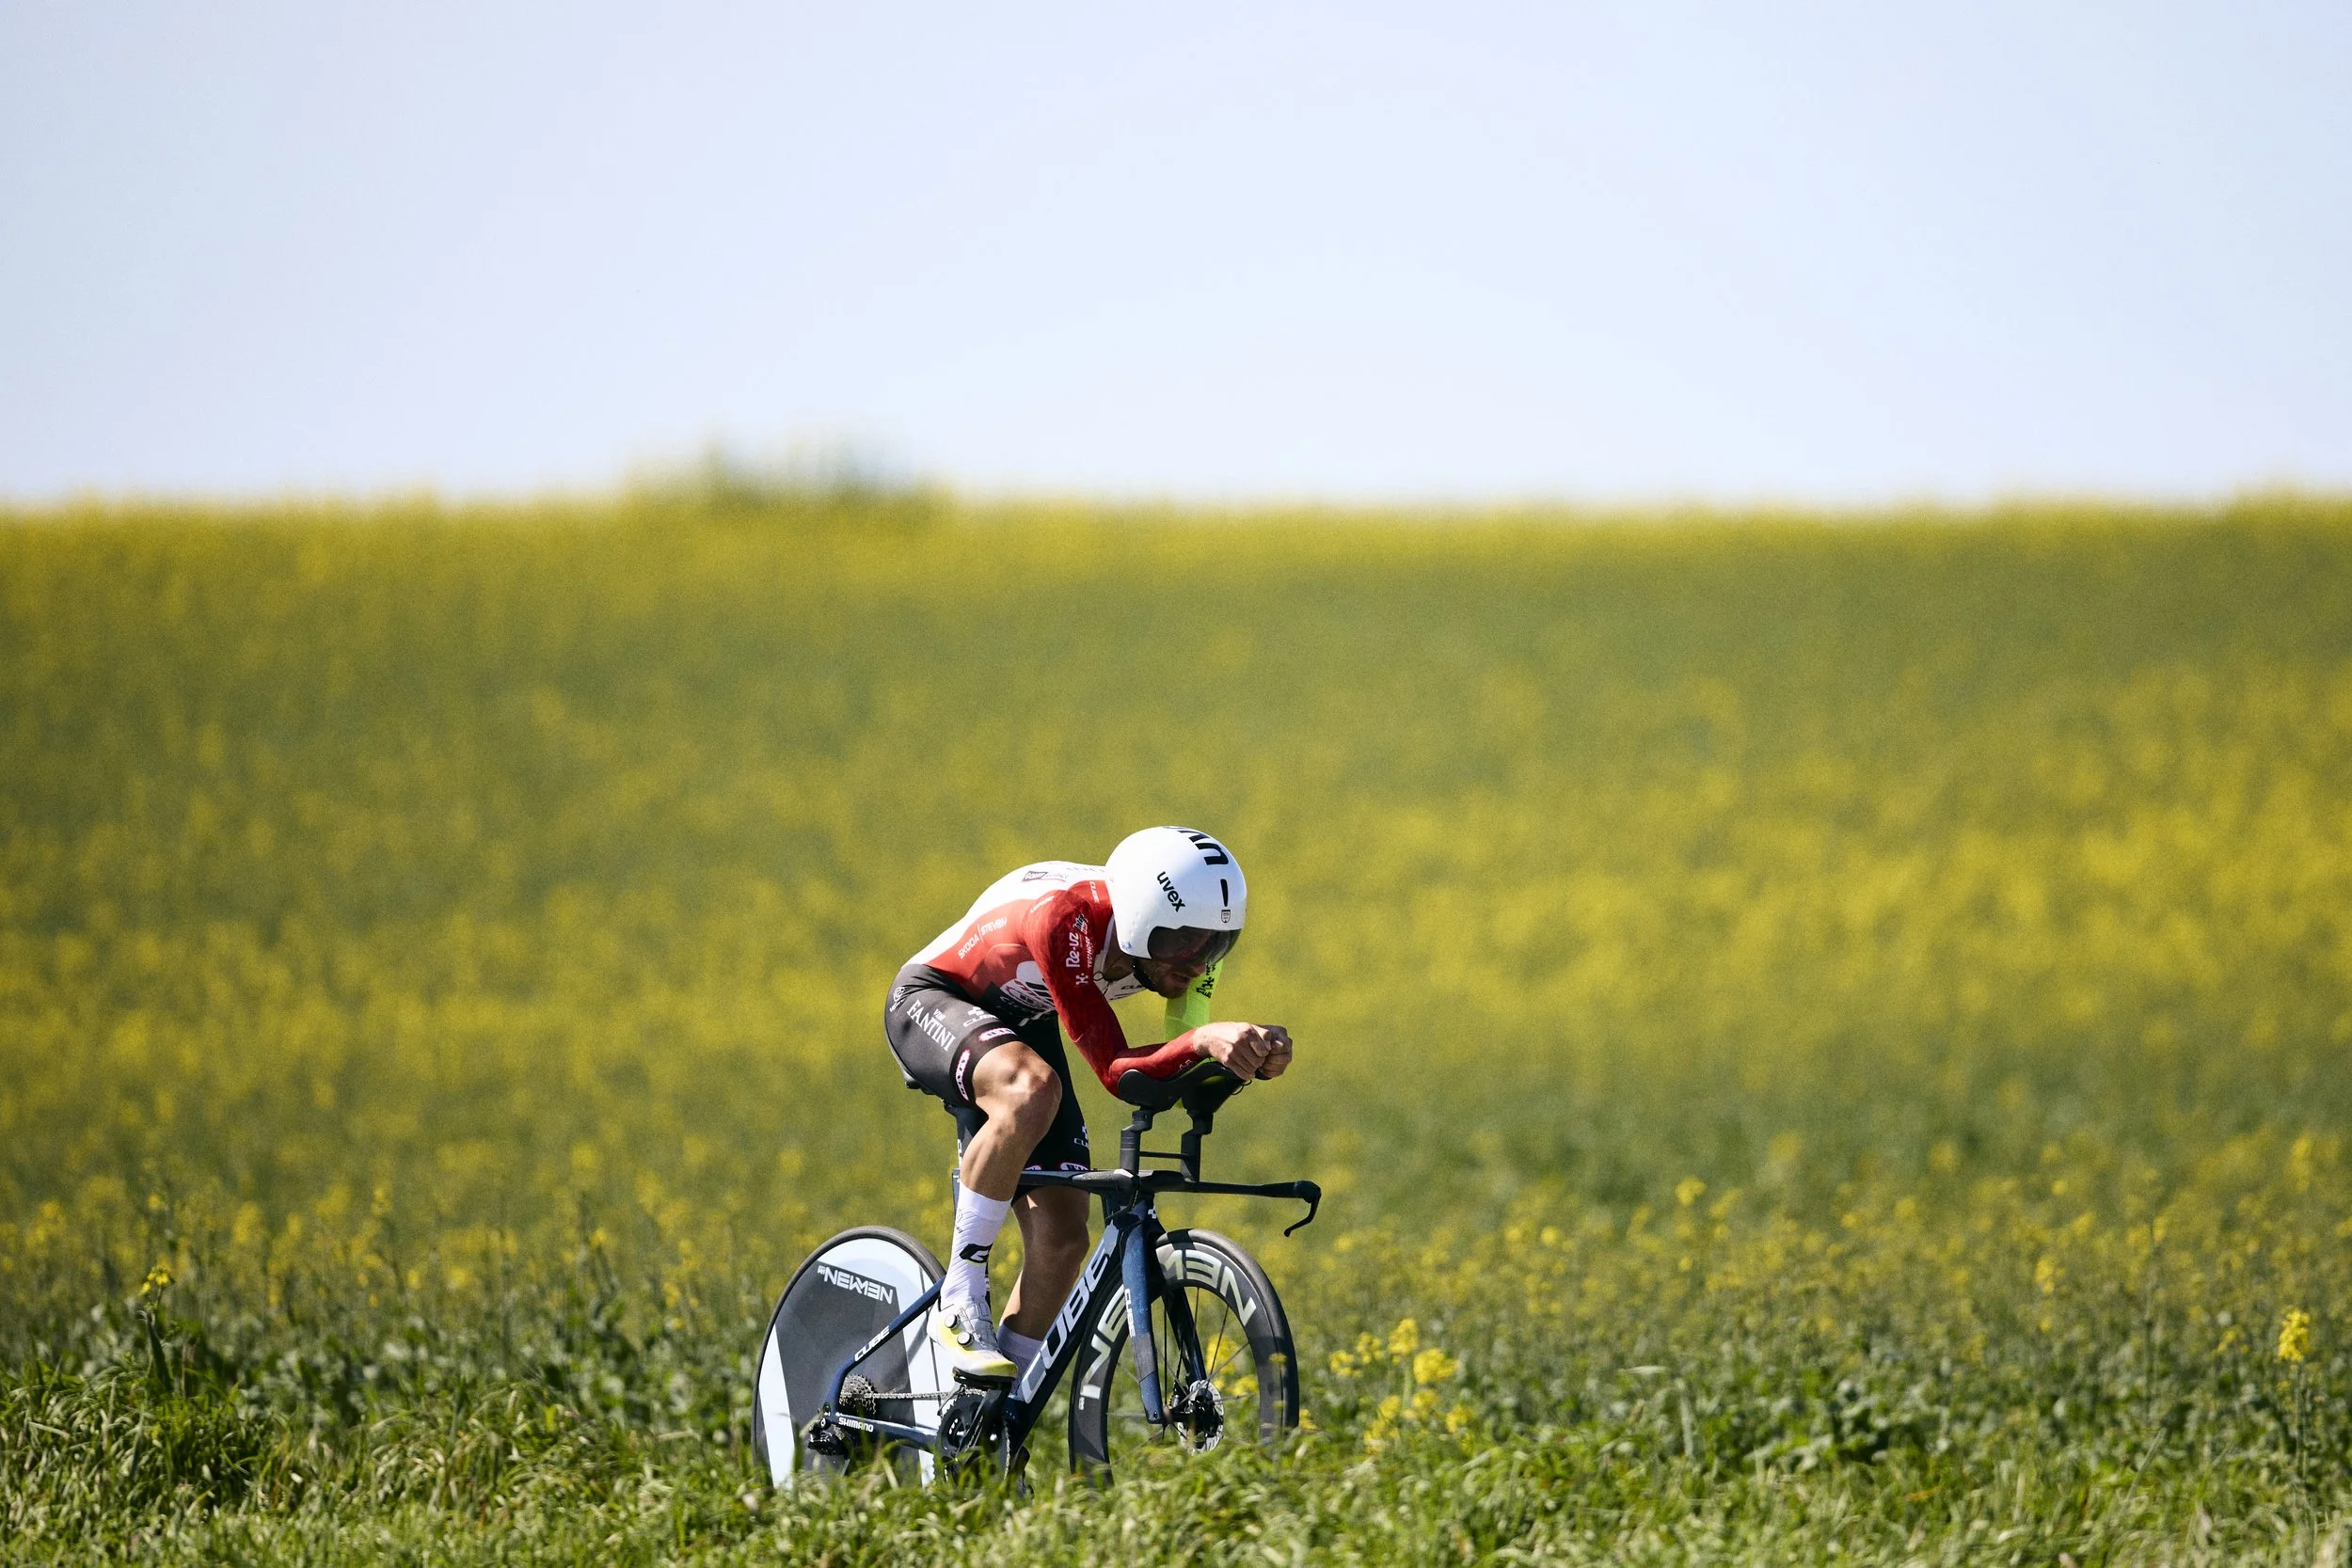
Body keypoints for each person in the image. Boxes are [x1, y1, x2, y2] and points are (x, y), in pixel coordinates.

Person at [882, 826, 1294, 1382]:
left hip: (1025, 1021)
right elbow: (1117, 1070)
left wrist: (1241, 1057)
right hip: (936, 998)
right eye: (1183, 944)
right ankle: (960, 1297)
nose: (1198, 965)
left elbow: (1175, 1061)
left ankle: (989, 1417)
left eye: (1215, 946)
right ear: (1139, 920)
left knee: (1064, 1238)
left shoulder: (1189, 943)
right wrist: (1203, 1041)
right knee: (1031, 1089)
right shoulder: (1064, 920)